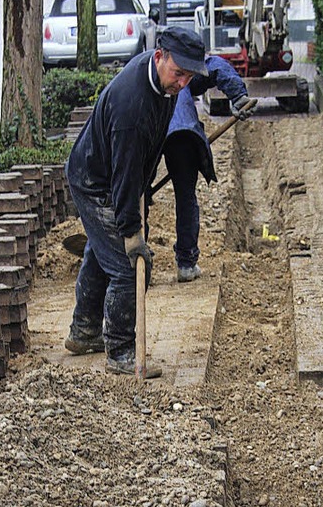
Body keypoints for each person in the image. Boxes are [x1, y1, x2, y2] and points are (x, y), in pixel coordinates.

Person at [64, 25, 209, 375]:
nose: (183, 84)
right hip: (95, 181)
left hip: (116, 175)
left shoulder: (163, 81)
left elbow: (141, 159)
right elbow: (123, 175)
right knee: (128, 266)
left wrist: (140, 195)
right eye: (179, 74)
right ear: (159, 57)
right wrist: (131, 231)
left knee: (103, 252)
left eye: (189, 76)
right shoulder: (132, 106)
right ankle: (121, 352)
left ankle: (83, 332)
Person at [163, 57, 252, 281]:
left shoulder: (148, 73)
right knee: (185, 197)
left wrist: (238, 97)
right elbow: (213, 66)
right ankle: (186, 263)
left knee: (138, 196)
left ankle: (136, 264)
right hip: (181, 134)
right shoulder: (182, 71)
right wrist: (238, 95)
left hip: (156, 134)